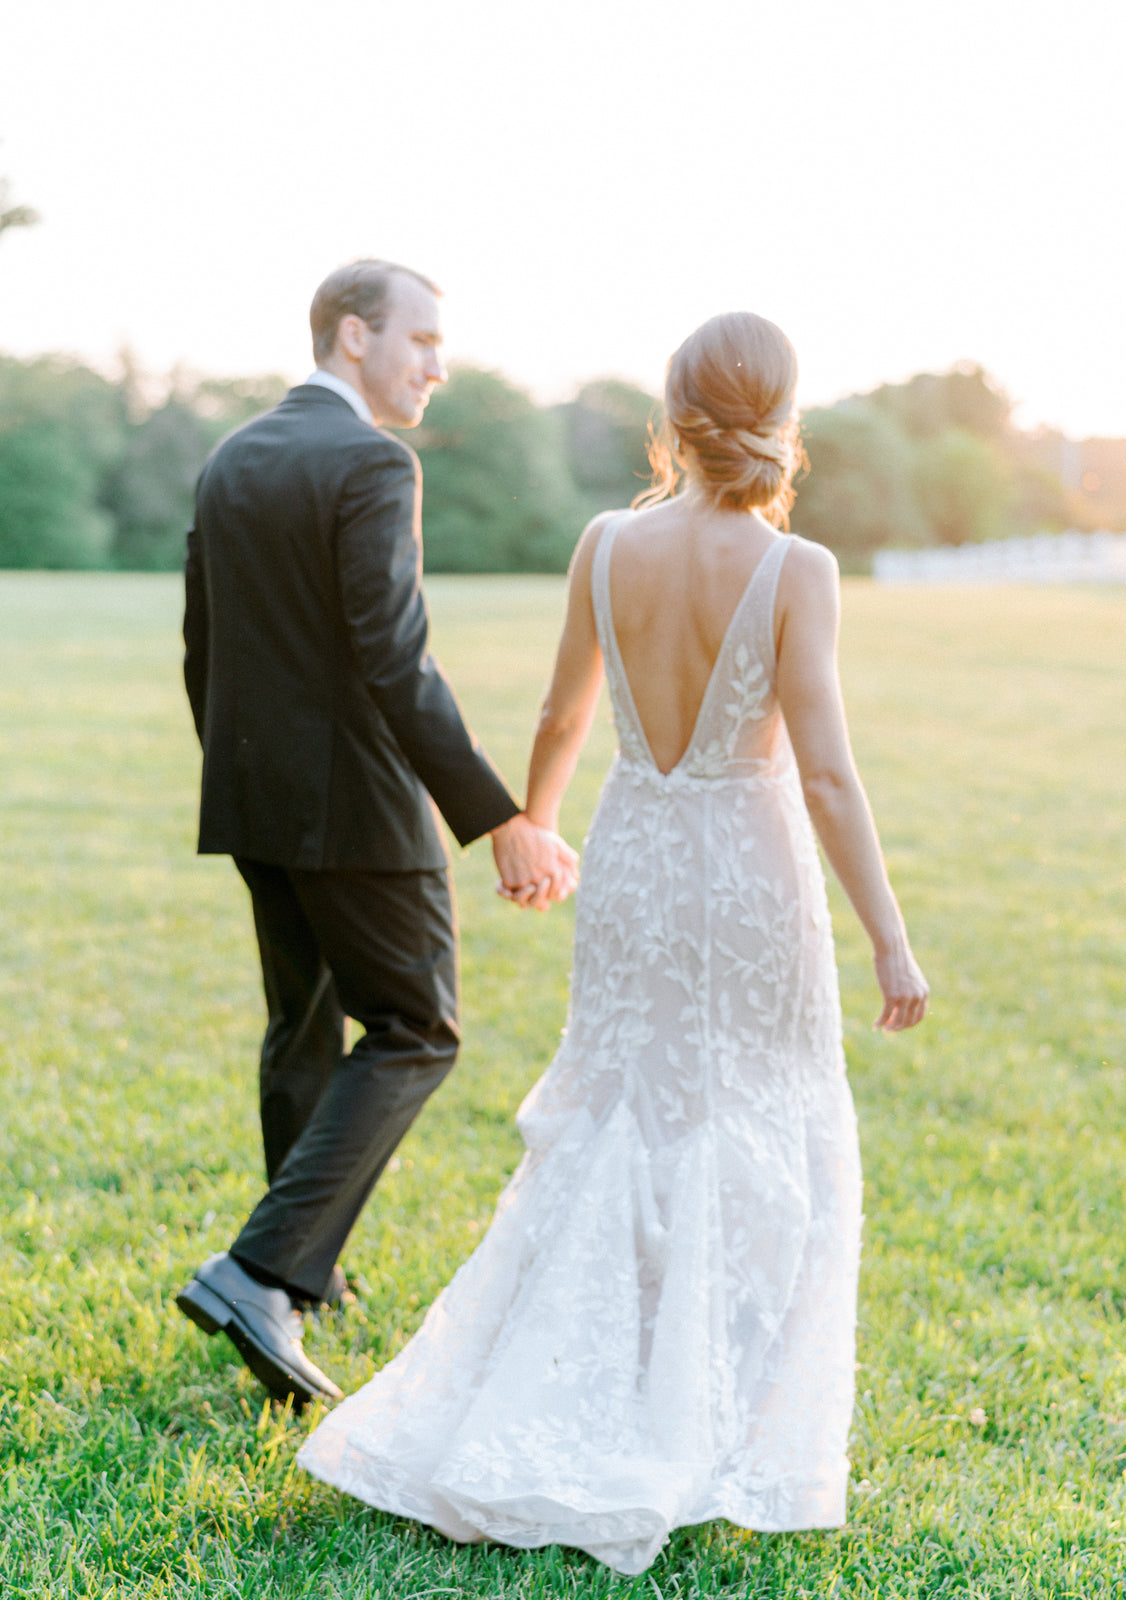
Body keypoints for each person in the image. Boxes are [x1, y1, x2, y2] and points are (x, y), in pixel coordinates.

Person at [298, 311, 928, 1573]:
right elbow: (831, 779)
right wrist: (890, 942)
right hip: (748, 873)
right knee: (756, 1119)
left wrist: (535, 819)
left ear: (673, 409)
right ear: (780, 413)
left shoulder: (603, 543)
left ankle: (600, 1379)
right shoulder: (797, 568)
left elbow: (559, 707)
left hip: (637, 856)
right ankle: (709, 1409)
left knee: (625, 1115)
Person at [175, 259, 577, 1408]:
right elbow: (395, 658)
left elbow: (204, 647)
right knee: (416, 1024)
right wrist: (497, 815)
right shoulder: (369, 460)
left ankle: (306, 1272)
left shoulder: (232, 455)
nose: (438, 367)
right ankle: (260, 1270)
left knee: (301, 1026)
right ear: (353, 337)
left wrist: (243, 775)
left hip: (252, 798)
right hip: (358, 806)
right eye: (424, 341)